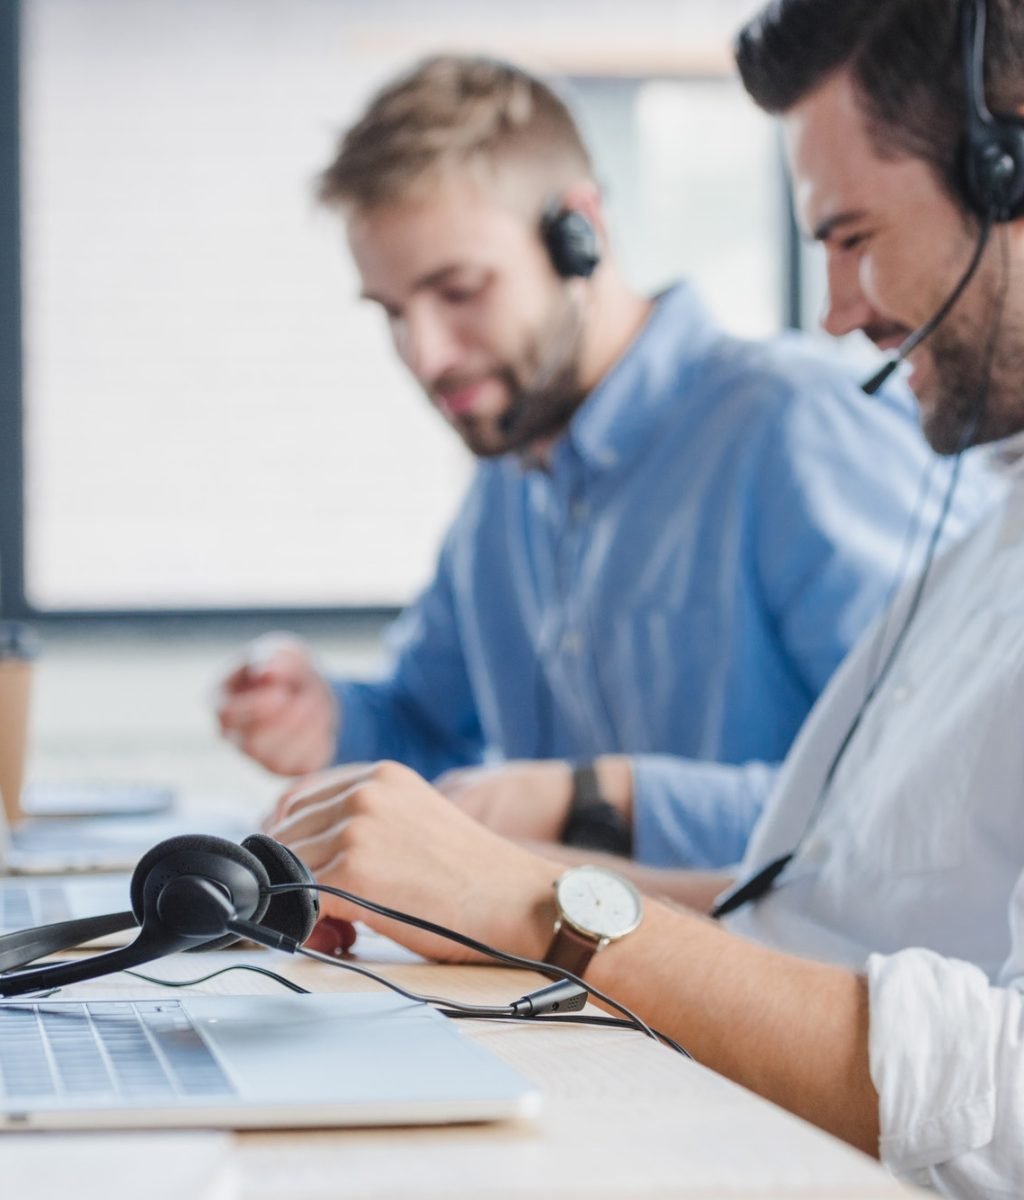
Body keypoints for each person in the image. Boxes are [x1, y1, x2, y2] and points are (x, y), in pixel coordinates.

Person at [264, 4, 1024, 1196]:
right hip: (695, 1100)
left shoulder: (797, 428)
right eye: (392, 316)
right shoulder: (986, 540)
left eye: (853, 234)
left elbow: (982, 1068)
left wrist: (538, 868)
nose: (832, 312)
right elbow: (824, 886)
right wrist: (420, 848)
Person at [217, 55, 990, 873]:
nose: (426, 355)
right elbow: (428, 732)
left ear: (578, 233)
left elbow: (929, 796)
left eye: (459, 291)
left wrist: (595, 800)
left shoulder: (798, 428)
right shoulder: (505, 491)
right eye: (393, 314)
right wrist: (326, 715)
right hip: (552, 993)